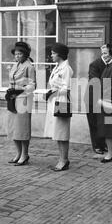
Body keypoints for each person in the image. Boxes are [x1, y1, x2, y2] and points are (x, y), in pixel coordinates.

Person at [44, 43, 73, 172]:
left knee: (62, 132)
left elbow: (66, 88)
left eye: (53, 53)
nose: (51, 55)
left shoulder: (66, 68)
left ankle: (64, 160)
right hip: (55, 100)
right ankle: (62, 159)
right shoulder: (57, 67)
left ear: (60, 54)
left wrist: (52, 92)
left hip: (61, 101)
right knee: (57, 132)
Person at [6, 42, 36, 166]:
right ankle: (18, 153)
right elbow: (11, 81)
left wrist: (20, 90)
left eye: (20, 54)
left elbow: (32, 85)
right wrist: (9, 91)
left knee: (22, 128)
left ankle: (25, 154)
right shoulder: (15, 65)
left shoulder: (29, 67)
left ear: (25, 54)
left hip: (23, 99)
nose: (17, 56)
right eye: (16, 54)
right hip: (13, 99)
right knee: (14, 128)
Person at [85, 52, 107, 155]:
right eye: (106, 53)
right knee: (94, 123)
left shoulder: (111, 64)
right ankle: (97, 146)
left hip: (103, 98)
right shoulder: (95, 64)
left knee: (102, 122)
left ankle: (103, 144)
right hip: (93, 98)